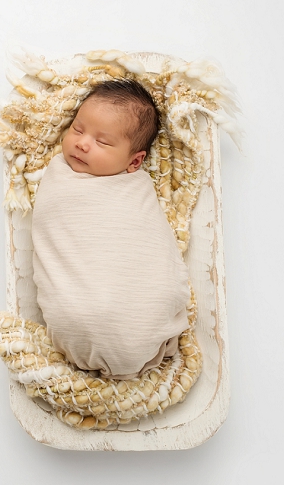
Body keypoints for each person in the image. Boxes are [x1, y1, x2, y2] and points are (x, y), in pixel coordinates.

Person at [31, 79, 191, 379]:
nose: (82, 142)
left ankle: (137, 334)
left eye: (102, 142)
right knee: (85, 309)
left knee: (148, 297)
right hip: (78, 315)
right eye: (78, 129)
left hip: (141, 315)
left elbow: (147, 244)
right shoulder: (60, 178)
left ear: (135, 161)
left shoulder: (135, 189)